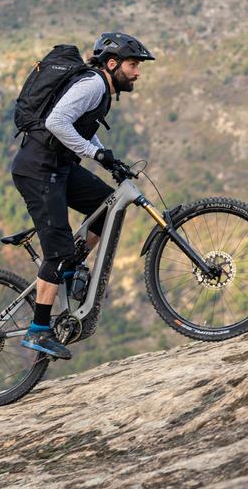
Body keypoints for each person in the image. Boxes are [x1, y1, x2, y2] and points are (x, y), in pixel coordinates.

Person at [10, 32, 155, 359]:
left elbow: (77, 128)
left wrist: (109, 160)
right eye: (133, 65)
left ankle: (72, 267)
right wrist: (94, 153)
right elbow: (57, 121)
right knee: (56, 251)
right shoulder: (93, 84)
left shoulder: (102, 89)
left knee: (106, 207)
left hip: (59, 166)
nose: (138, 73)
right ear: (113, 63)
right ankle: (38, 330)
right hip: (37, 169)